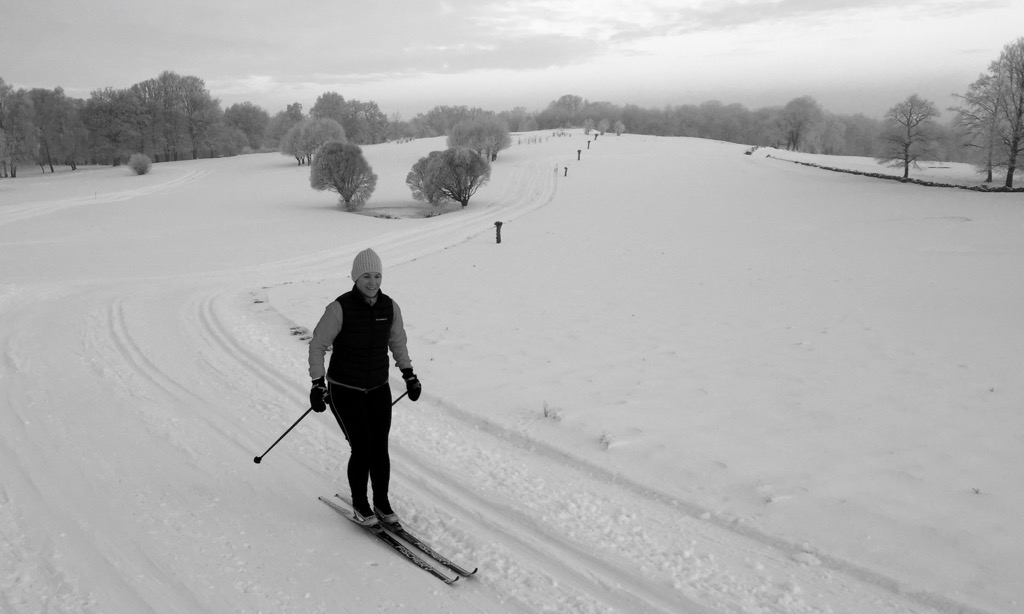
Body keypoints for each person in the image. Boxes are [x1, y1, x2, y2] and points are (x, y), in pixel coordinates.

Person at [308, 248, 422, 528]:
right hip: (345, 388)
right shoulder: (339, 307)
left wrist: (409, 374)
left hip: (377, 387)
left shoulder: (390, 307)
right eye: (367, 276)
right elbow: (318, 345)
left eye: (378, 275)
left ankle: (381, 503)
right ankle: (361, 503)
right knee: (362, 448)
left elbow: (398, 343)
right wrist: (317, 383)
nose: (373, 282)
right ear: (356, 277)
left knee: (379, 448)